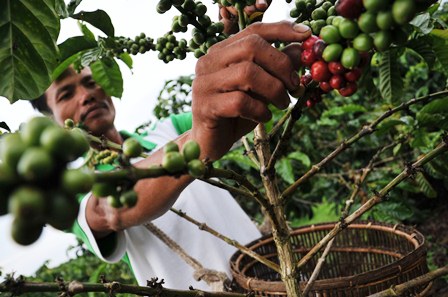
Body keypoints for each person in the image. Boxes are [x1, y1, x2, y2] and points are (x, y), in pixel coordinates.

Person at [30, 16, 311, 291]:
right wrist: (197, 143)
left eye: (91, 82)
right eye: (66, 94)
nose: (86, 96)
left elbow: (231, 105)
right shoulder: (75, 188)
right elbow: (109, 210)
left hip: (270, 278)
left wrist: (234, 40)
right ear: (52, 119)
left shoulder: (169, 130)